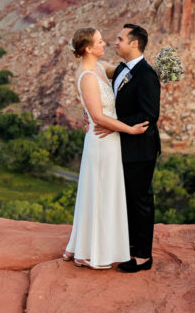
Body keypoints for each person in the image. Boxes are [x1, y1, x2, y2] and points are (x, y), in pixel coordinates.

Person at [62, 27, 149, 270]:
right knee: (99, 193)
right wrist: (129, 129)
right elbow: (98, 117)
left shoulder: (102, 67)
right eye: (100, 41)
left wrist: (155, 71)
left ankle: (86, 245)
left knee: (103, 191)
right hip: (101, 141)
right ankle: (91, 251)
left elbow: (128, 72)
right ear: (88, 48)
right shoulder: (88, 75)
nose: (106, 44)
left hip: (110, 139)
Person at [96, 23, 161, 273]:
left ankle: (144, 257)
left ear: (134, 44)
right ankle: (131, 247)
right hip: (124, 145)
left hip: (140, 149)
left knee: (140, 200)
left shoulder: (146, 74)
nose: (115, 42)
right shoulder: (123, 68)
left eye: (120, 39)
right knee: (126, 199)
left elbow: (149, 114)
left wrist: (113, 125)